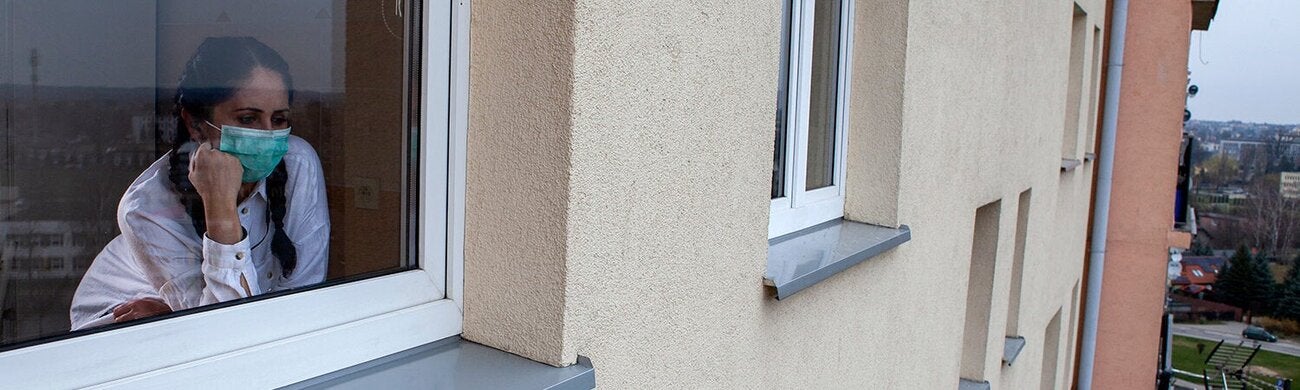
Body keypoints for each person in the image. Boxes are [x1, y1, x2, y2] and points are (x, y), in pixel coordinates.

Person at [70, 37, 329, 330]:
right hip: (115, 329)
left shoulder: (298, 163)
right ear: (195, 125)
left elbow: (304, 296)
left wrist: (174, 313)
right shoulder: (145, 208)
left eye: (279, 119)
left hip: (190, 327)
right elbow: (222, 330)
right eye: (248, 119)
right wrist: (220, 206)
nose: (268, 135)